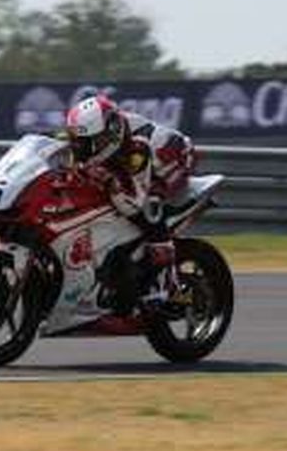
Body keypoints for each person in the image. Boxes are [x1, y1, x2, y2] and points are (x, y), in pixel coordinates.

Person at [64, 94, 196, 314]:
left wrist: (110, 182)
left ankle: (170, 284)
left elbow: (133, 202)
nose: (81, 149)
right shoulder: (96, 136)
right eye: (78, 141)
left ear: (110, 134)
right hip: (126, 162)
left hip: (171, 161)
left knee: (150, 207)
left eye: (88, 143)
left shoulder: (137, 149)